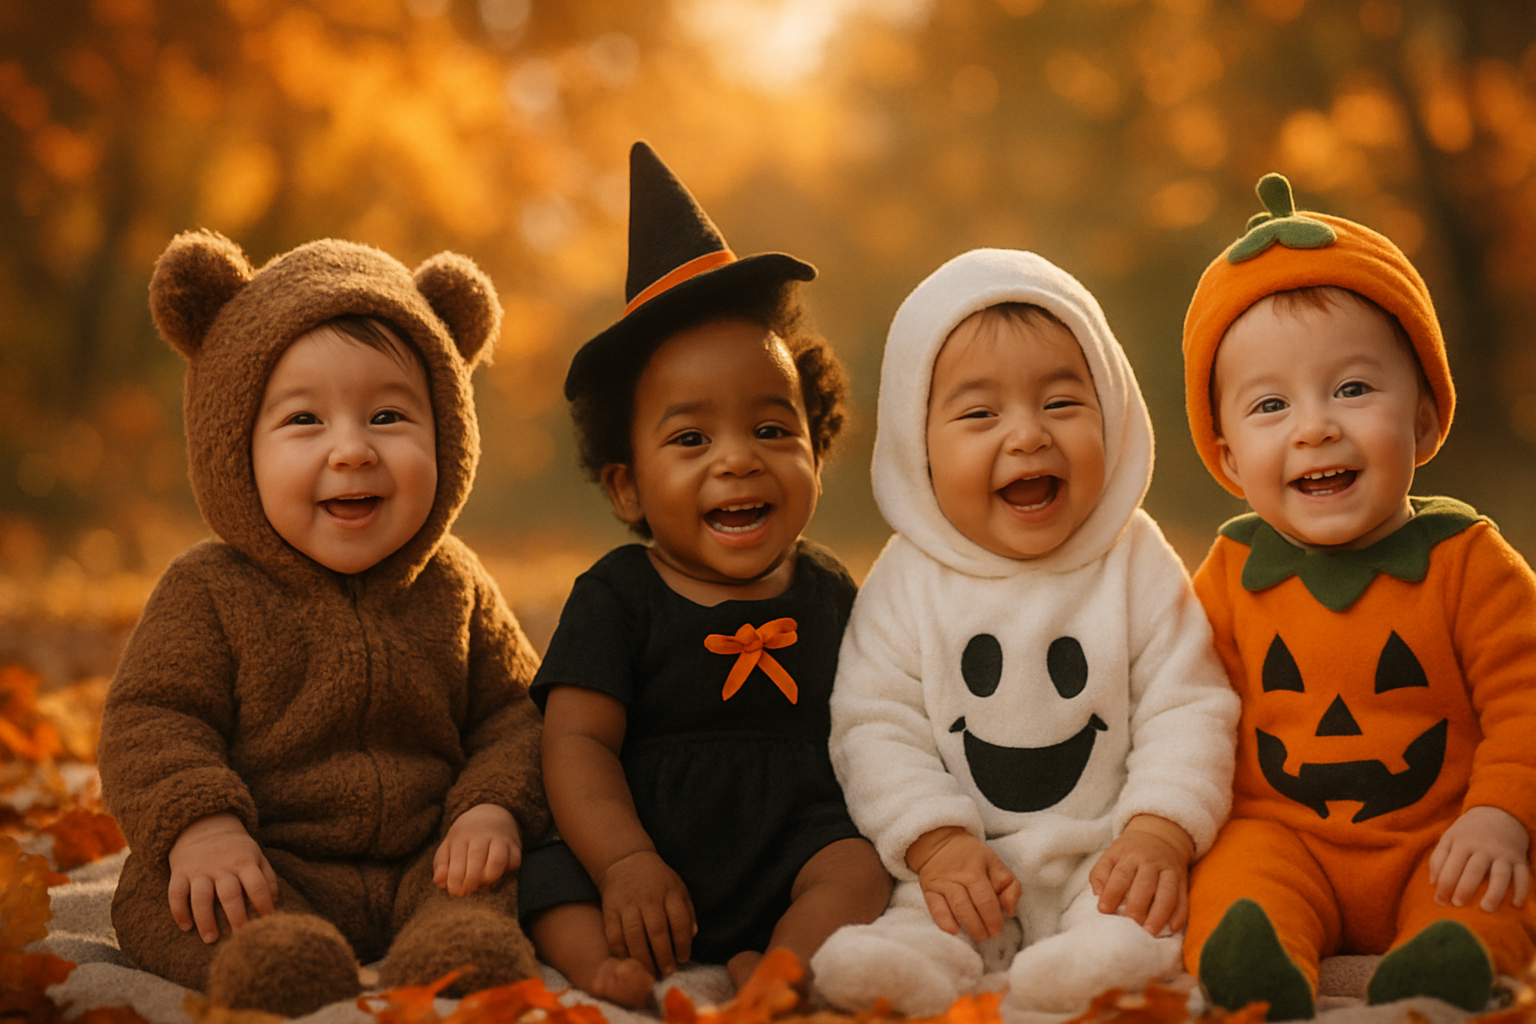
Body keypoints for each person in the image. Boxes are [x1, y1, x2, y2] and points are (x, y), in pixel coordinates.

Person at [99, 232, 548, 1017]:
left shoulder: (455, 585)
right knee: (175, 899)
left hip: (430, 856)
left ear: (448, 432)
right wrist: (201, 823)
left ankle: (452, 950)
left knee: (497, 882)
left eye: (387, 415)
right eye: (304, 420)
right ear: (233, 444)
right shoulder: (207, 589)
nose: (351, 450)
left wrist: (490, 804)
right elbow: (151, 718)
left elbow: (519, 711)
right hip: (262, 857)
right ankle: (272, 956)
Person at [811, 248, 1240, 1016]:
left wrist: (1159, 832)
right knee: (921, 920)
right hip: (960, 867)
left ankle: (1095, 961)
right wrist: (934, 842)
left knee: (1133, 923)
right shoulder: (909, 579)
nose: (1028, 436)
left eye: (1062, 404)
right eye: (980, 414)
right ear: (920, 449)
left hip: (1106, 855)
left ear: (1112, 410)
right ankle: (914, 961)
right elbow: (875, 725)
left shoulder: (1133, 558)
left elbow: (1189, 704)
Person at [518, 142, 891, 1009]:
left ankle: (782, 965)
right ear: (626, 487)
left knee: (859, 868)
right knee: (549, 875)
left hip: (791, 835)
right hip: (642, 842)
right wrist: (625, 861)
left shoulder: (830, 591)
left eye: (770, 429)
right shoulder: (616, 596)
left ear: (817, 446)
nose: (736, 462)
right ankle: (598, 967)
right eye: (691, 440)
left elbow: (883, 719)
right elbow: (575, 745)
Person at [1180, 172, 1536, 1019]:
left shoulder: (1467, 561)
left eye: (1352, 389)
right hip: (1284, 833)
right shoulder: (1226, 574)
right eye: (1271, 405)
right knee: (1235, 879)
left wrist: (1501, 815)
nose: (1315, 426)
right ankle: (1256, 964)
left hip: (1442, 833)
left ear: (1421, 418)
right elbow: (1182, 706)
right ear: (1228, 459)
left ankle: (1444, 965)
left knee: (1494, 888)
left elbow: (1529, 698)